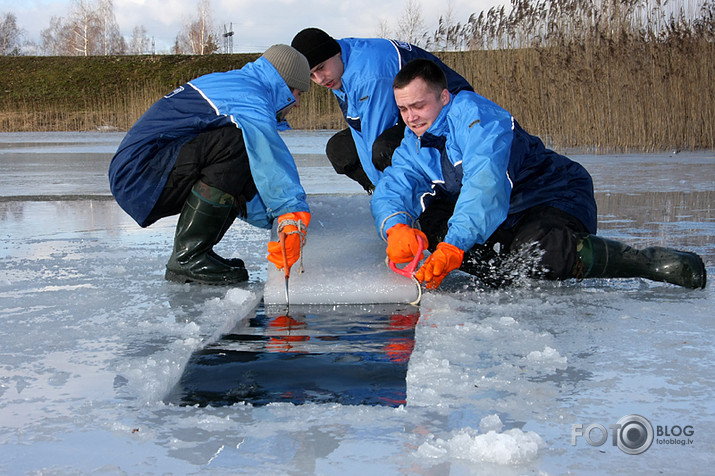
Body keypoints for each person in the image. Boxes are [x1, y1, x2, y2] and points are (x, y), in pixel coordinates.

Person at [371, 59, 706, 290]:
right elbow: (393, 186)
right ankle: (500, 270)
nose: (411, 117)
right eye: (403, 109)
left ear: (443, 97)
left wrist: (454, 246)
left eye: (419, 105)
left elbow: (485, 184)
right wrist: (395, 227)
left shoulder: (478, 118)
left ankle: (646, 262)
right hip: (503, 214)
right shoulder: (414, 141)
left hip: (551, 195)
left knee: (539, 255)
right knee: (434, 224)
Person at [109, 45, 312, 285]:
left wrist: (275, 220)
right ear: (286, 87)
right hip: (140, 174)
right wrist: (291, 213)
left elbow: (240, 176)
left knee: (241, 149)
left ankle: (196, 252)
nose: (297, 104)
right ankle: (189, 257)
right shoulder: (250, 96)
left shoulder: (240, 84)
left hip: (146, 169)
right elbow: (270, 157)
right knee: (237, 142)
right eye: (299, 94)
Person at [291, 27, 473, 193]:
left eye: (321, 68)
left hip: (449, 116)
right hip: (409, 112)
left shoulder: (368, 75)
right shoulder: (339, 68)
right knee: (340, 150)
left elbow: (375, 137)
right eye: (311, 75)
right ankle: (384, 193)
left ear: (336, 52)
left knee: (384, 150)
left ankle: (426, 197)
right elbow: (359, 129)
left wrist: (387, 199)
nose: (320, 79)